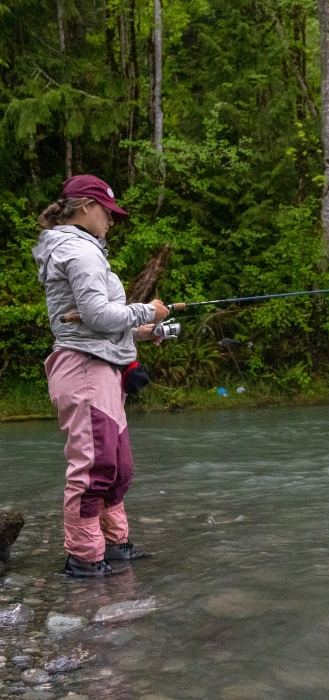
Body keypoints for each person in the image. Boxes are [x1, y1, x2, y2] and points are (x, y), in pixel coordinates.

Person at [32, 174, 170, 578]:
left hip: (102, 369)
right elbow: (96, 316)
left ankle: (115, 546)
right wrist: (147, 311)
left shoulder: (87, 251)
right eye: (108, 212)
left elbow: (99, 320)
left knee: (118, 467)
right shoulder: (81, 252)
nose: (111, 220)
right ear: (87, 207)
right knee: (94, 466)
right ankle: (84, 560)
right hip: (84, 369)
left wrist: (143, 330)